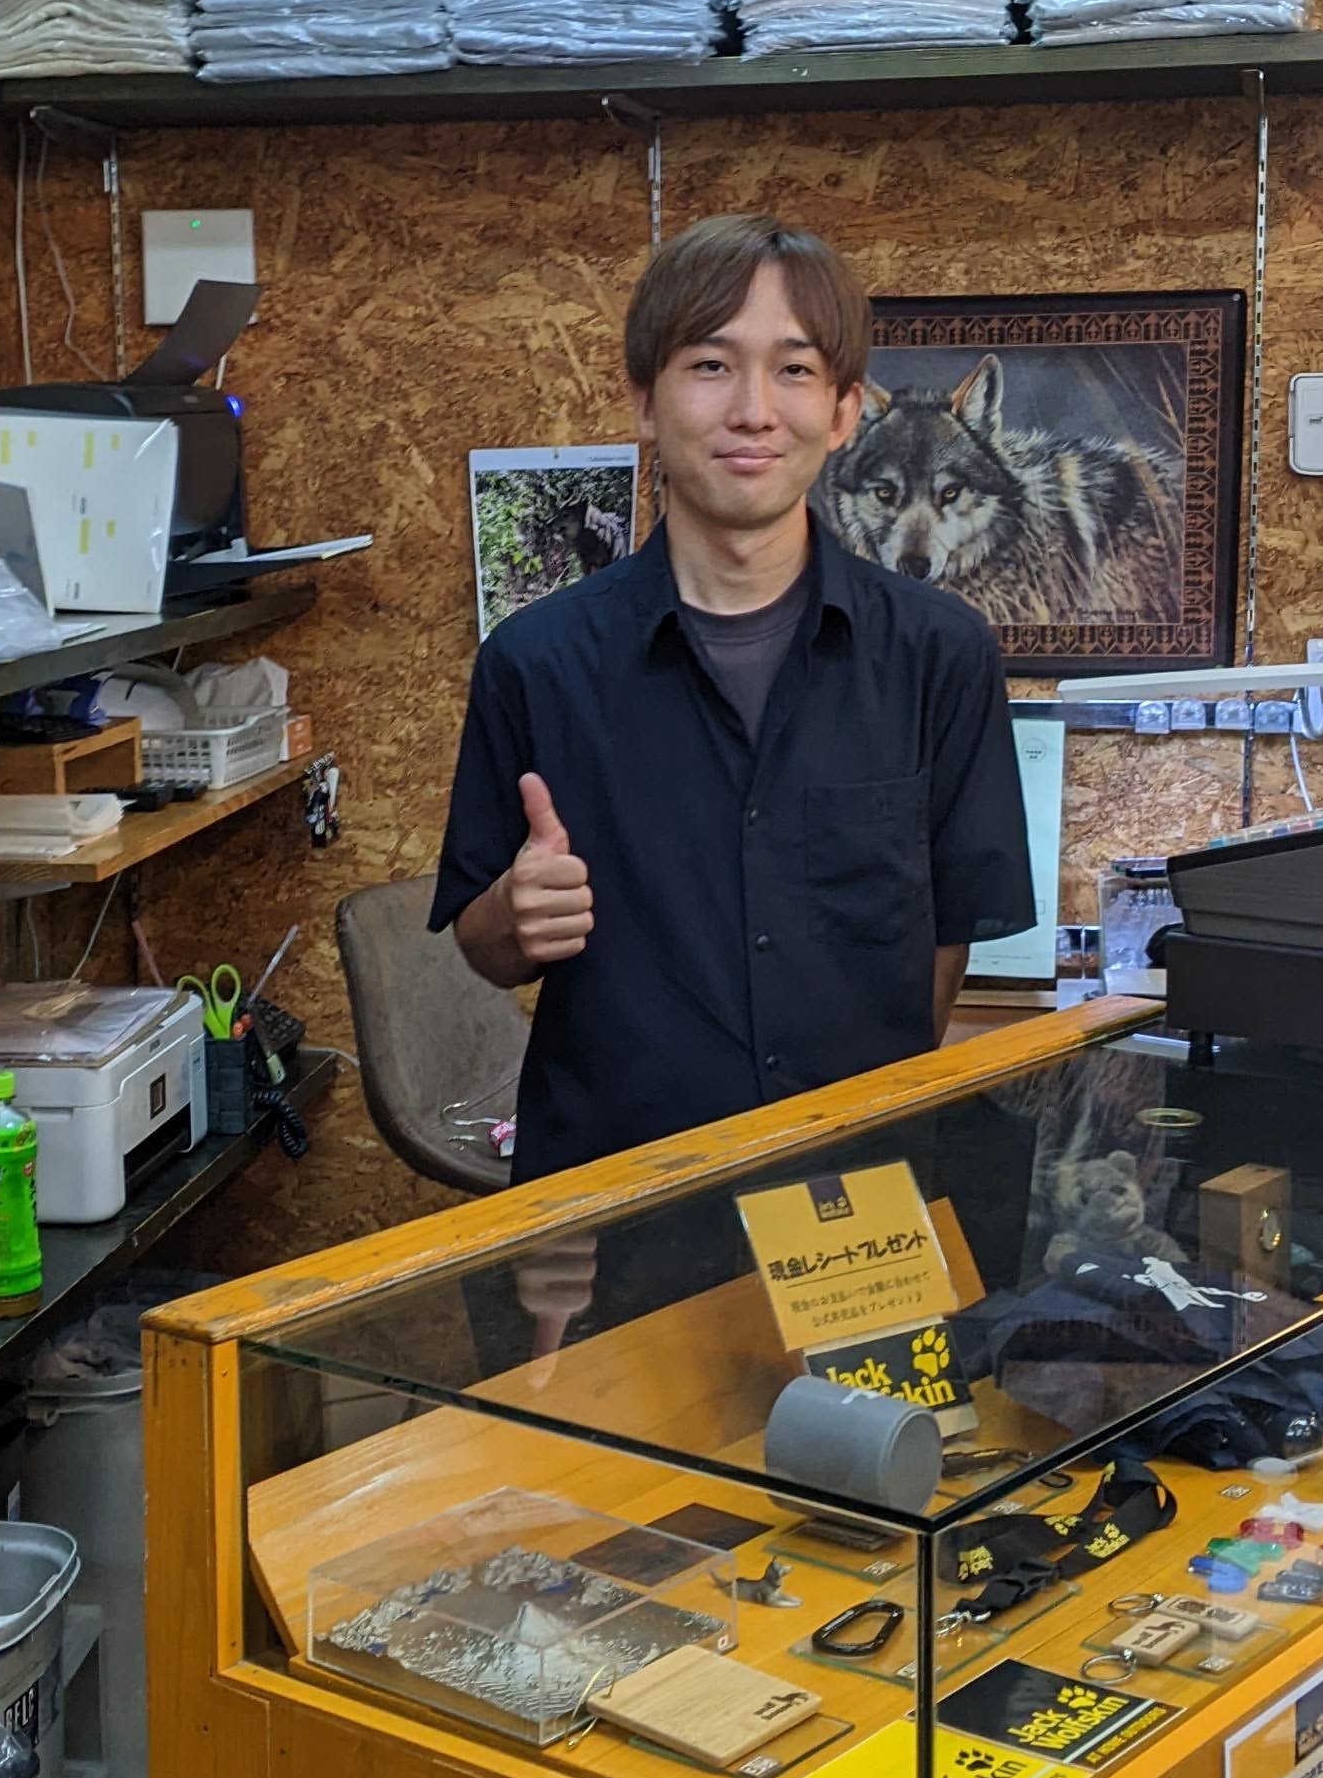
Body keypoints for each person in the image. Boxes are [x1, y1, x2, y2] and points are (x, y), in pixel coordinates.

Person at [432, 213, 1034, 1183]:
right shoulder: (533, 663)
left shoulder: (940, 656)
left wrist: (855, 1137)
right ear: (642, 400)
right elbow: (484, 942)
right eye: (711, 365)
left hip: (855, 1213)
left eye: (794, 370)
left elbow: (944, 942)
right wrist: (513, 913)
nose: (753, 409)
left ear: (843, 413)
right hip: (613, 1203)